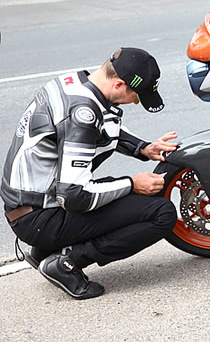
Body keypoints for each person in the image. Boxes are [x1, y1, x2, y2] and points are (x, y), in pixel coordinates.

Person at [1, 47, 179, 300]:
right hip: (41, 216)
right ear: (118, 83)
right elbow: (74, 196)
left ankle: (42, 251)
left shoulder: (75, 84)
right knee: (161, 213)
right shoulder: (81, 115)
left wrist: (144, 149)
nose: (137, 101)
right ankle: (67, 263)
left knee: (114, 191)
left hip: (30, 204)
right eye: (136, 94)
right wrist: (132, 183)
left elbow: (103, 126)